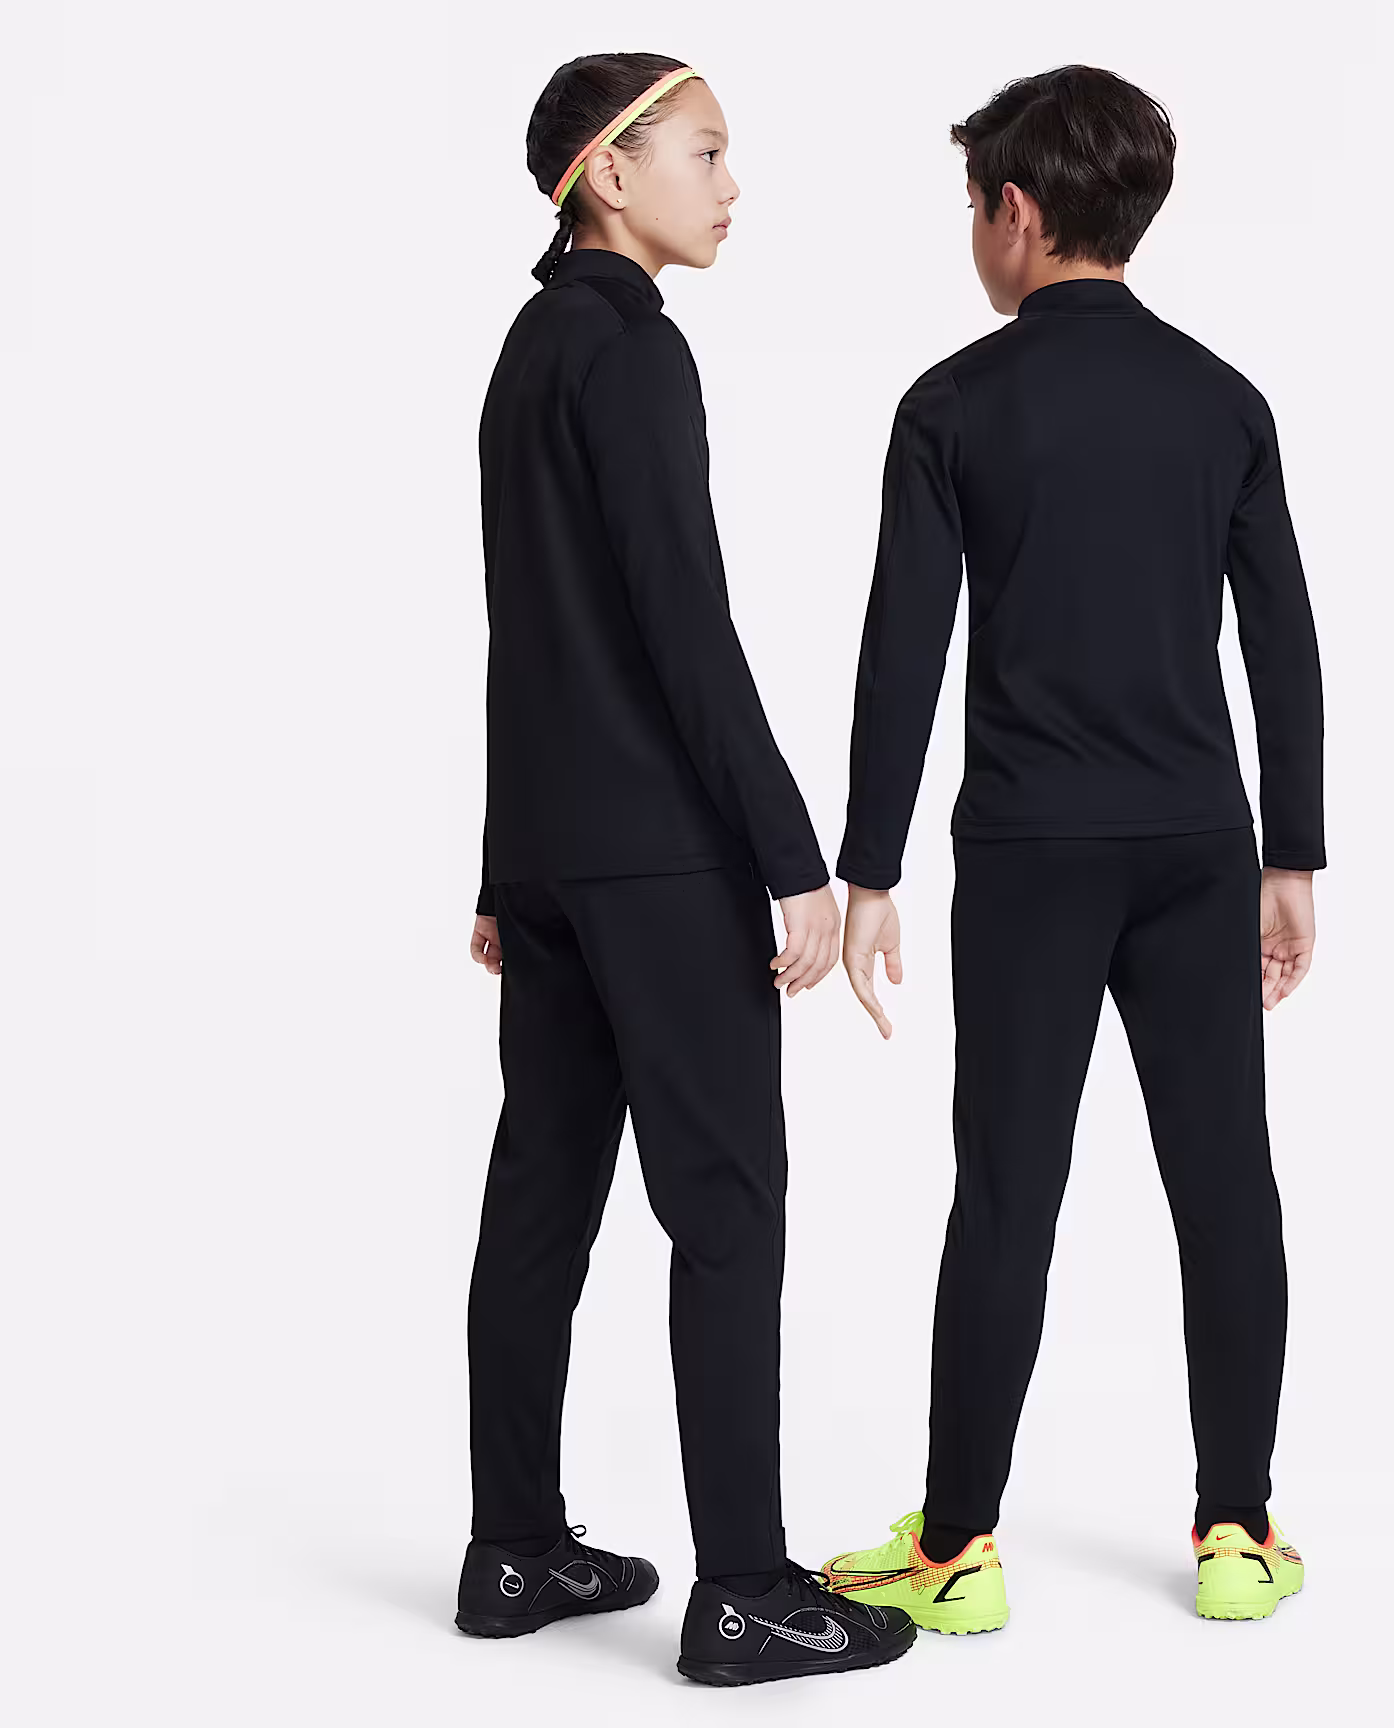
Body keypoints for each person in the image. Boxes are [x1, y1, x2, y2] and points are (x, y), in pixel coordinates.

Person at [818, 66, 1322, 1629]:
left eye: (974, 206)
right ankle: (1237, 1530)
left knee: (1006, 1194)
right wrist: (1291, 856)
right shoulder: (1223, 401)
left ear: (1017, 215)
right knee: (1226, 1184)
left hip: (1032, 852)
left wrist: (870, 869)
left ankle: (958, 1551)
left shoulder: (953, 404)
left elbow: (903, 649)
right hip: (1197, 843)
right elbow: (1283, 642)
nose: (974, 233)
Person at [458, 52, 916, 1685]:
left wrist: (506, 867)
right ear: (609, 172)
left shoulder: (527, 351)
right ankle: (746, 1593)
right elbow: (678, 626)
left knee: (541, 1198)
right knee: (726, 1208)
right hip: (659, 859)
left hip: (558, 860)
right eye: (706, 155)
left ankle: (512, 1550)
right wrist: (792, 856)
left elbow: (529, 637)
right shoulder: (635, 351)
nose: (731, 187)